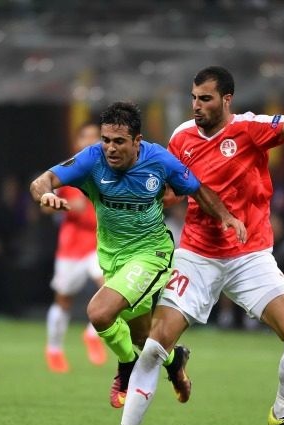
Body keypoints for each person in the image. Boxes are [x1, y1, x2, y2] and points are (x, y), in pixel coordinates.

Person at [90, 66, 284, 425]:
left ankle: (283, 411)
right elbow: (172, 189)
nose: (197, 106)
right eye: (193, 98)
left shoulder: (251, 128)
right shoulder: (181, 137)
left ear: (226, 99)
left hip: (250, 256)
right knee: (155, 346)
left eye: (205, 98)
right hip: (196, 256)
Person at [30, 101, 246, 408]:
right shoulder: (91, 159)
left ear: (137, 141)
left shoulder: (159, 160)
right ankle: (175, 361)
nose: (110, 148)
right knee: (144, 336)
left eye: (119, 141)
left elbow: (196, 189)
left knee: (100, 312)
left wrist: (225, 216)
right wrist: (46, 195)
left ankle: (126, 367)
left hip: (151, 254)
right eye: (106, 140)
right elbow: (41, 182)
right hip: (112, 258)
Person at [43, 121, 107, 373]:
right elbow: (45, 204)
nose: (91, 141)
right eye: (86, 137)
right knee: (63, 300)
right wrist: (64, 205)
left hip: (99, 244)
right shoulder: (68, 172)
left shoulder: (109, 171)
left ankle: (92, 334)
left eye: (96, 137)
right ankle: (54, 349)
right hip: (71, 248)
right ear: (78, 143)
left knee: (110, 288)